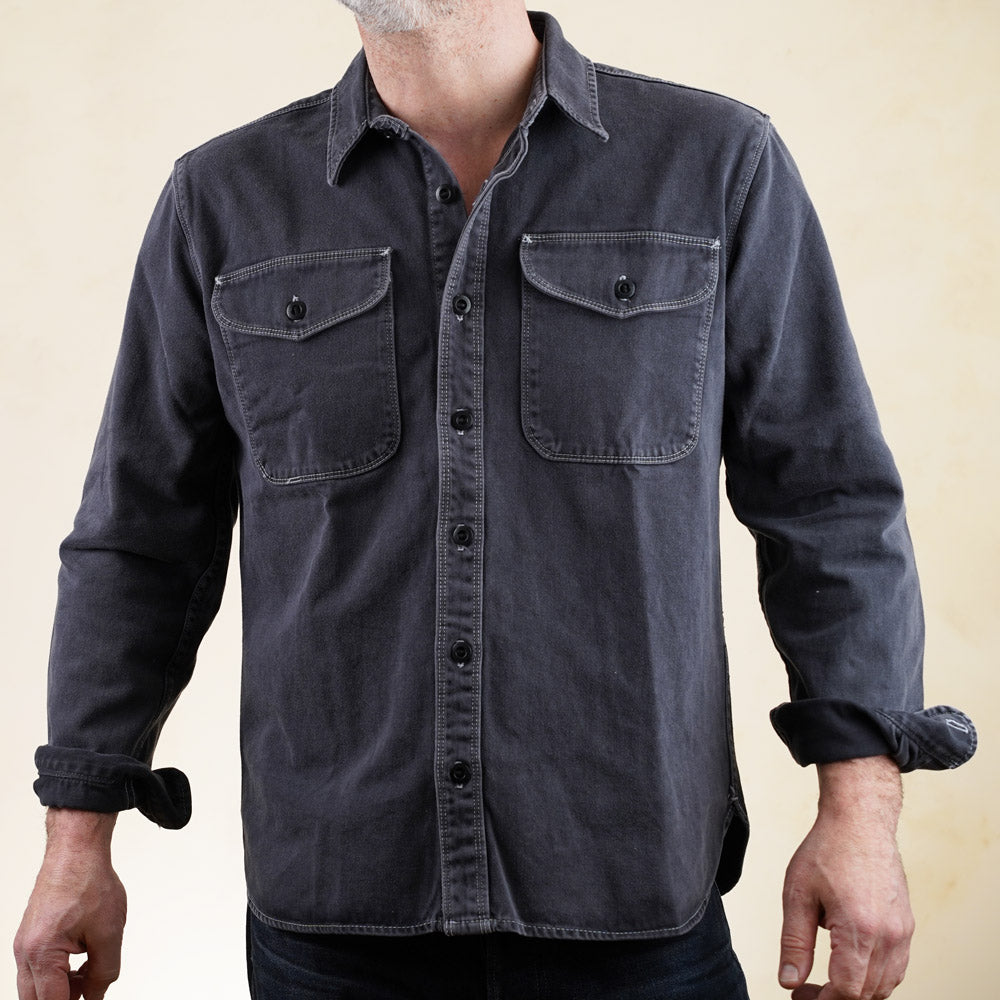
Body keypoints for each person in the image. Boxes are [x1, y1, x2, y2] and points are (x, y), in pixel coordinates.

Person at [14, 2, 977, 999]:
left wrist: (860, 813)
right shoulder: (221, 200)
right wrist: (76, 838)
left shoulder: (715, 165)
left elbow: (828, 498)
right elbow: (139, 542)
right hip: (336, 919)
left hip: (632, 902)